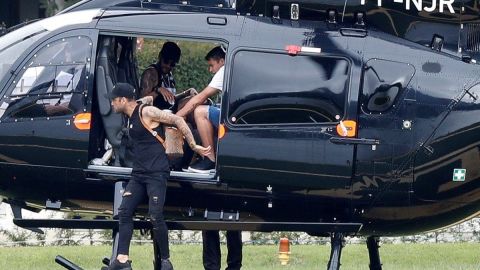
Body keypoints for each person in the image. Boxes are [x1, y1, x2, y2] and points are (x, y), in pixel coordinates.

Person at [107, 83, 211, 270]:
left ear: (122, 100)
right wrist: (183, 92)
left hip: (156, 173)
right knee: (124, 212)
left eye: (114, 101)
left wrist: (194, 146)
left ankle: (165, 261)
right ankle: (122, 260)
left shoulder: (147, 112)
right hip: (138, 174)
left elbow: (177, 121)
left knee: (155, 215)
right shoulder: (132, 111)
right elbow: (146, 98)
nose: (112, 105)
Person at [176, 46, 243, 270]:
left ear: (221, 60)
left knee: (200, 111)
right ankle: (234, 265)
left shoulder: (224, 71)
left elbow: (201, 99)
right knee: (233, 218)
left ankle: (209, 157)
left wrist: (175, 117)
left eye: (212, 64)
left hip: (228, 126)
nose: (210, 69)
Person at [140, 41, 181, 110]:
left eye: (172, 64)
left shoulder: (169, 76)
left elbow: (171, 98)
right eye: (166, 61)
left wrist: (185, 93)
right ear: (160, 56)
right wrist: (157, 90)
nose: (168, 66)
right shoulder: (151, 73)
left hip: (170, 111)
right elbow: (141, 102)